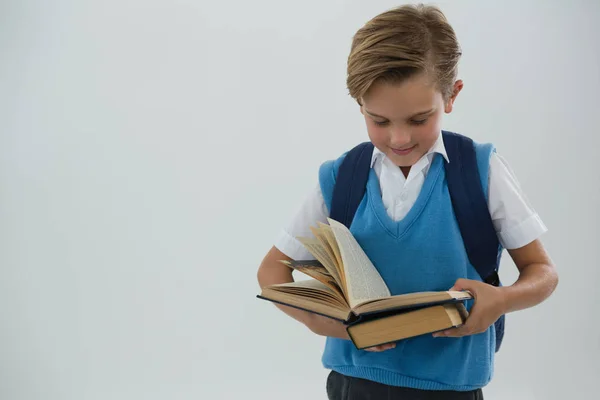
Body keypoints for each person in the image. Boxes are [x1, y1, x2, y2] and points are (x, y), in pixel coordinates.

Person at [257, 4, 558, 399]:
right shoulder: (340, 177)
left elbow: (542, 272)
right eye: (379, 120)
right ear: (359, 104)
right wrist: (327, 324)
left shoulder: (480, 170)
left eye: (418, 119)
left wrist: (501, 300)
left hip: (451, 388)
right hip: (354, 384)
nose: (399, 138)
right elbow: (271, 275)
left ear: (451, 95)